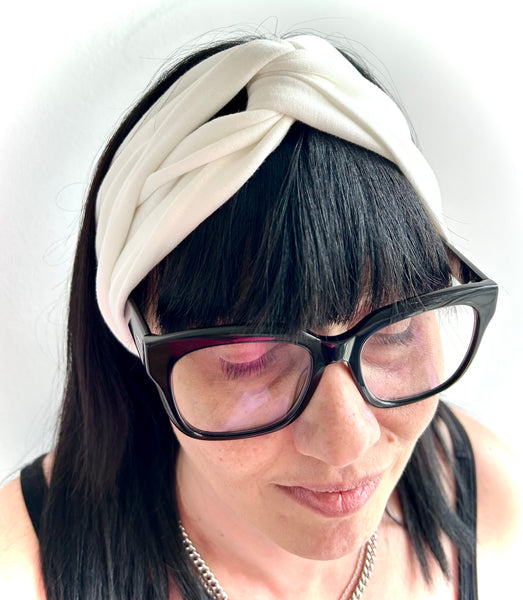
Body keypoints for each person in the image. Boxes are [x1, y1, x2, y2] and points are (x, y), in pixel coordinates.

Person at [0, 33, 520, 600]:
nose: (347, 442)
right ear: (140, 338)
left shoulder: (489, 495)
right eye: (249, 360)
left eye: (393, 331)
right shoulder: (23, 573)